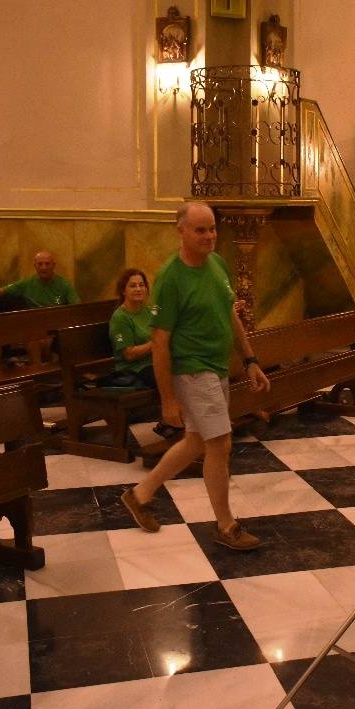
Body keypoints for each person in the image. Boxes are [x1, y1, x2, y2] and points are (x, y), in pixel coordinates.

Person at [118, 202, 271, 550]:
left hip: (216, 367)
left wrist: (250, 360)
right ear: (181, 231)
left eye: (212, 228)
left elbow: (229, 316)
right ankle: (226, 526)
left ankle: (140, 495)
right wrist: (168, 399)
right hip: (191, 369)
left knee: (196, 442)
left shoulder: (217, 264)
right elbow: (159, 343)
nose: (209, 236)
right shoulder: (171, 277)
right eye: (200, 230)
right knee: (221, 444)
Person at [109, 268, 156, 387]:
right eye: (133, 286)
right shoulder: (120, 317)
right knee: (168, 378)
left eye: (141, 285)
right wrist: (156, 342)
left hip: (154, 362)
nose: (138, 289)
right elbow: (128, 354)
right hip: (134, 369)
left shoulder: (149, 310)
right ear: (123, 290)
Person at [0, 251, 79, 308]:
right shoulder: (26, 283)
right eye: (40, 264)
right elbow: (1, 291)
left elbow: (77, 306)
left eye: (47, 264)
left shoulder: (64, 285)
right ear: (35, 266)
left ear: (53, 265)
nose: (44, 267)